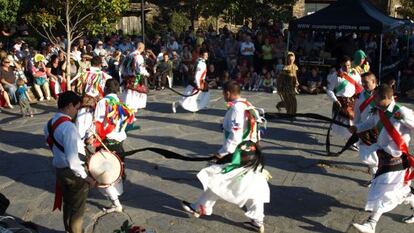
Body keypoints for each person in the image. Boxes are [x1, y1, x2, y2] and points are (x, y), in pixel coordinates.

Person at [181, 81, 270, 233]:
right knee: (251, 186)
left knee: (218, 178)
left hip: (237, 155)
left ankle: (199, 207)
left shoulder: (236, 109)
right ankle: (258, 220)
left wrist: (221, 154)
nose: (223, 96)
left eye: (223, 93)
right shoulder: (248, 105)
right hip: (251, 153)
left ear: (227, 93)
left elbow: (235, 137)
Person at [350, 84, 414, 233]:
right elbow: (370, 123)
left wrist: (404, 118)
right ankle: (410, 199)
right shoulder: (379, 111)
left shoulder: (401, 111)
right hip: (384, 157)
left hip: (397, 159)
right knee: (396, 191)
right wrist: (357, 128)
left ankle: (371, 224)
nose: (374, 100)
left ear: (385, 98)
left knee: (383, 191)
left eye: (376, 97)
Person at [44, 91, 97, 233]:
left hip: (60, 171)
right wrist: (87, 178)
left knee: (68, 204)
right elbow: (73, 161)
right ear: (69, 106)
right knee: (77, 212)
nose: (76, 111)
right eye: (76, 107)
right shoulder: (69, 127)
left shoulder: (49, 123)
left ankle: (68, 230)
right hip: (73, 174)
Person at [327, 56, 363, 142]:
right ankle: (351, 140)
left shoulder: (355, 74)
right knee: (348, 123)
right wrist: (335, 100)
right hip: (341, 102)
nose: (347, 68)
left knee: (354, 121)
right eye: (345, 66)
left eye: (349, 65)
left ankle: (352, 139)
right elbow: (329, 90)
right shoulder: (335, 76)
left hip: (353, 102)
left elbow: (361, 85)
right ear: (341, 65)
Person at [353, 72, 378, 176]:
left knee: (378, 155)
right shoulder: (360, 96)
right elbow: (357, 114)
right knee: (367, 156)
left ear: (374, 82)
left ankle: (376, 176)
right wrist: (356, 128)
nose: (363, 84)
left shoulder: (382, 94)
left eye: (366, 82)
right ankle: (374, 175)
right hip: (365, 130)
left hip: (379, 130)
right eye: (362, 82)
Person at [172, 49, 210, 113]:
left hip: (201, 81)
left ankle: (201, 106)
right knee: (191, 96)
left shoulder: (200, 61)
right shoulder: (200, 63)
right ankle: (177, 104)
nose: (207, 56)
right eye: (205, 55)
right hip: (198, 82)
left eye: (207, 55)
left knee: (203, 94)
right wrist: (198, 85)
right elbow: (197, 75)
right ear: (201, 55)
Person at [121, 42, 150, 112]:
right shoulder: (138, 56)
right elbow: (140, 69)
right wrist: (146, 73)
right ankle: (132, 111)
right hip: (136, 78)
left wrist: (124, 74)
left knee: (129, 93)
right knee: (135, 94)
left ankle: (128, 108)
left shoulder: (129, 55)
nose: (143, 50)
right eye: (143, 49)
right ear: (140, 48)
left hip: (127, 78)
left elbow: (122, 67)